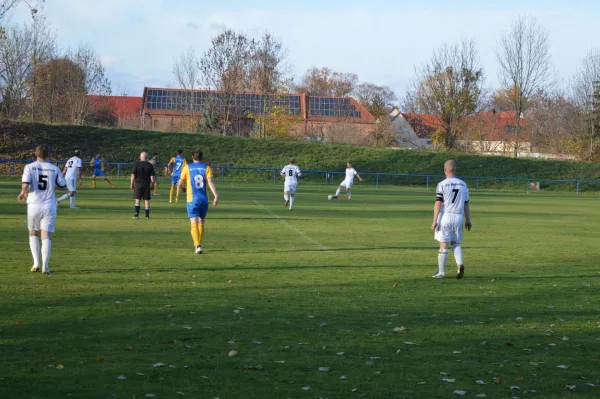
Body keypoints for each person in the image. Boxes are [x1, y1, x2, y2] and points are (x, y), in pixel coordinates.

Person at [17, 144, 67, 275]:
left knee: (33, 233)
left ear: (35, 153)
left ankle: (36, 263)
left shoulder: (29, 167)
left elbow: (25, 184)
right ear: (49, 155)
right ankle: (45, 266)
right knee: (46, 236)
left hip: (34, 204)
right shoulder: (54, 168)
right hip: (49, 205)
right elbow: (63, 186)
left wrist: (23, 193)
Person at [431, 160, 472, 279]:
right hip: (458, 216)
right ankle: (460, 263)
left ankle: (441, 273)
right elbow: (466, 204)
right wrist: (468, 220)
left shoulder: (442, 184)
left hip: (445, 216)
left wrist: (435, 220)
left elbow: (438, 202)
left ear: (445, 170)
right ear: (455, 170)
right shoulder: (463, 184)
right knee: (455, 243)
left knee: (443, 244)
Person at [178, 149, 218, 254]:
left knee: (193, 222)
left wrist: (183, 189)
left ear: (192, 157)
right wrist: (215, 195)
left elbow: (180, 184)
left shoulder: (187, 168)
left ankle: (197, 245)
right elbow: (210, 181)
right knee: (201, 221)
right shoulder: (207, 168)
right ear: (202, 157)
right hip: (204, 199)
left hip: (192, 199)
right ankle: (199, 245)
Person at [130, 152, 155, 219]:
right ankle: (147, 215)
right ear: (147, 158)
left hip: (138, 184)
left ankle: (136, 214)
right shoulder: (150, 165)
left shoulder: (137, 165)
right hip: (146, 184)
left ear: (140, 157)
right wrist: (153, 185)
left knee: (137, 199)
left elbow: (133, 174)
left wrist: (131, 183)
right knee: (146, 200)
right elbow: (152, 177)